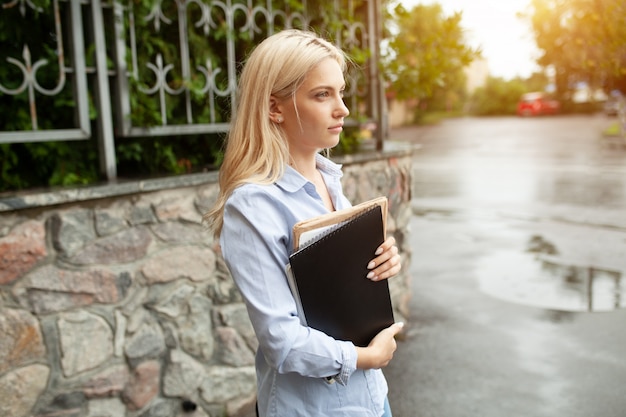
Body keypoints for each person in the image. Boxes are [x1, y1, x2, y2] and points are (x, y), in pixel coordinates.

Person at [204, 29, 404, 417]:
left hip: (372, 398)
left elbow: (338, 294)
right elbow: (282, 340)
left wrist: (382, 263)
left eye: (340, 92)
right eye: (322, 94)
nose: (342, 108)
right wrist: (366, 357)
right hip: (314, 408)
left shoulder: (330, 179)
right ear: (274, 108)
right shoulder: (253, 205)